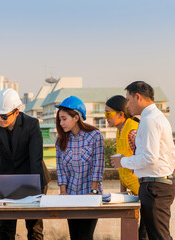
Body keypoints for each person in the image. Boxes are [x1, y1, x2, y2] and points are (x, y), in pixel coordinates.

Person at [0, 88, 50, 240]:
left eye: (4, 116)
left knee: (34, 226)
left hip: (32, 174)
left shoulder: (32, 124)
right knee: (6, 226)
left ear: (16, 112)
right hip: (7, 177)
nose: (0, 119)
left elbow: (36, 159)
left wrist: (37, 191)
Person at [111, 81, 175, 240]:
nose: (126, 105)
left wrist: (123, 161)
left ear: (137, 97)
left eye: (128, 100)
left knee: (159, 236)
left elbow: (149, 158)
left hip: (155, 186)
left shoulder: (149, 120)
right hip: (157, 184)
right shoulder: (155, 117)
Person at [55, 96, 105, 240]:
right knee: (75, 236)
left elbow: (98, 166)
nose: (61, 122)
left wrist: (94, 192)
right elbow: (61, 169)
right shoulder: (61, 141)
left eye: (64, 119)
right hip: (70, 197)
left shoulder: (95, 136)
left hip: (90, 196)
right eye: (60, 119)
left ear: (76, 117)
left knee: (85, 236)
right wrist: (63, 193)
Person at [105, 95, 147, 240]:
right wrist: (122, 192)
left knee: (146, 233)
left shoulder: (132, 131)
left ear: (121, 114)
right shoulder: (120, 130)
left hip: (144, 189)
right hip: (135, 191)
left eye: (108, 113)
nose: (106, 117)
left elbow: (143, 159)